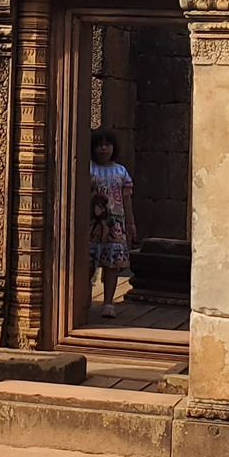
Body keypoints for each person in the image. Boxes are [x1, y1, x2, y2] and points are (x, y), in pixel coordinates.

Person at [89, 128, 137, 319]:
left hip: (115, 224)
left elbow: (126, 200)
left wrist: (131, 224)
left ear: (113, 147)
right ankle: (86, 298)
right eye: (99, 145)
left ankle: (108, 302)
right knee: (88, 263)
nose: (103, 148)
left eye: (107, 144)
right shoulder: (88, 168)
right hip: (91, 224)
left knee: (112, 265)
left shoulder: (120, 172)